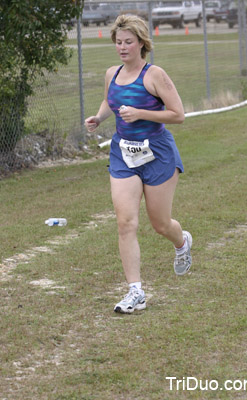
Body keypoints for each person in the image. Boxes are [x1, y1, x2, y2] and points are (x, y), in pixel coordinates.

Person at [85, 15, 192, 314]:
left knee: (160, 223)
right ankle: (136, 292)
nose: (122, 48)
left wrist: (142, 114)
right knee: (125, 222)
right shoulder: (112, 73)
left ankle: (181, 242)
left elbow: (178, 114)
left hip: (157, 152)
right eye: (118, 42)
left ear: (142, 43)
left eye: (128, 42)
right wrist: (99, 117)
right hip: (123, 153)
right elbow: (111, 100)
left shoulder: (154, 74)